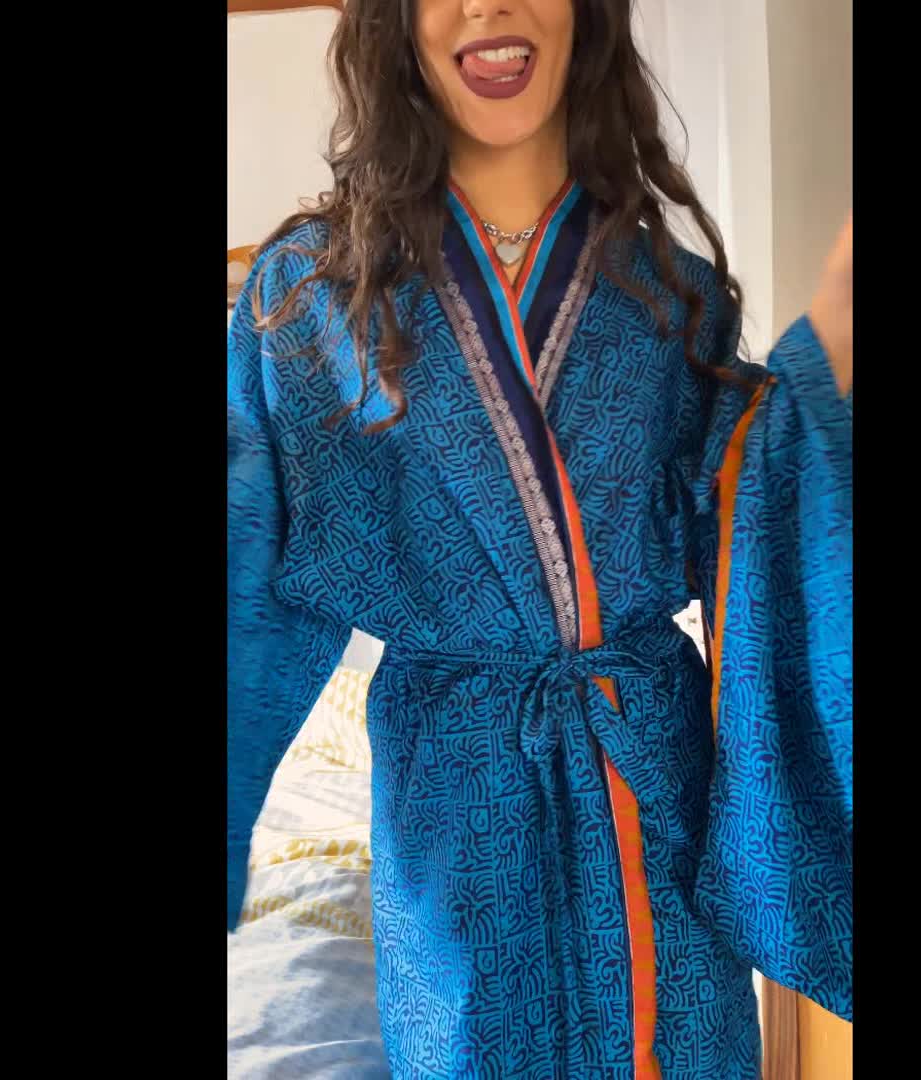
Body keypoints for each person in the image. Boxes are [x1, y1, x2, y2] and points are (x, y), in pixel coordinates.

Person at [228, 1, 851, 1075]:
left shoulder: (673, 295)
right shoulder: (309, 299)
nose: (490, 4)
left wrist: (829, 353)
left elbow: (759, 521)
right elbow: (242, 572)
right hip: (453, 805)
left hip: (651, 793)